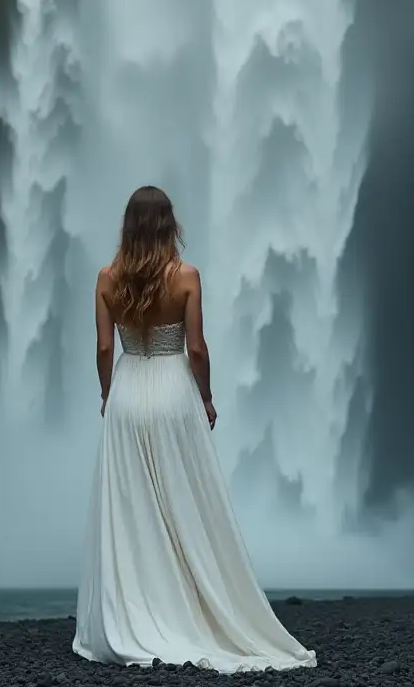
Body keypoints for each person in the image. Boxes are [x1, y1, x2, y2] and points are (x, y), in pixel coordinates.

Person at [72, 186, 317, 673]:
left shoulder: (107, 277)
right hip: (172, 388)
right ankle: (192, 604)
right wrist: (206, 397)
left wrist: (106, 393)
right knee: (184, 499)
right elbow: (198, 348)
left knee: (132, 504)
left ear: (128, 225)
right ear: (169, 225)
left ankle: (136, 609)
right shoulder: (186, 277)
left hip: (128, 387)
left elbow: (103, 350)